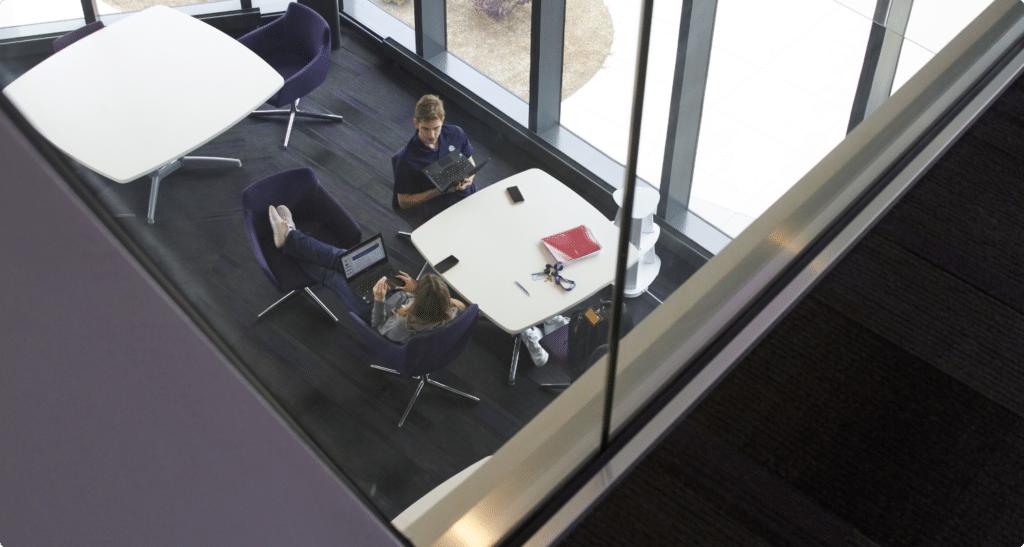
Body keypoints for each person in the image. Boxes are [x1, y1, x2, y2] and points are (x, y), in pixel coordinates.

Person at [268, 205, 465, 343]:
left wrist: (379, 300)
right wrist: (414, 289)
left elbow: (379, 327)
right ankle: (288, 236)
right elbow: (430, 301)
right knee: (344, 258)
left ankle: (288, 236)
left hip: (371, 308)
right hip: (396, 295)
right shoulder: (451, 310)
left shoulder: (402, 327)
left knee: (331, 276)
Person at [392, 94, 479, 226]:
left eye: (436, 128)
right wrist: (439, 191)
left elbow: (471, 162)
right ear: (416, 123)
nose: (431, 135)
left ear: (442, 120)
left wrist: (469, 179)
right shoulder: (407, 159)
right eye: (425, 129)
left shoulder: (456, 133)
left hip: (470, 193)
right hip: (442, 210)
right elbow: (403, 202)